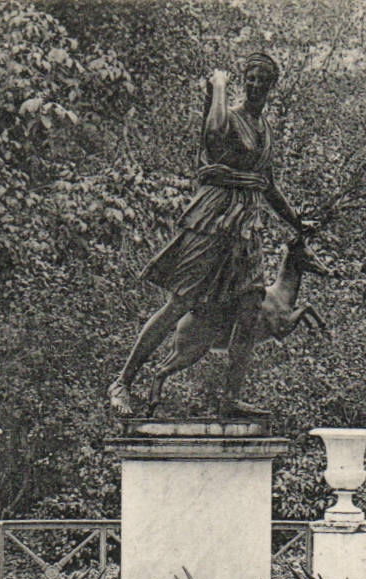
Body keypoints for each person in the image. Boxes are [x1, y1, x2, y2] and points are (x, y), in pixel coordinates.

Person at [108, 53, 311, 418]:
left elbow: (268, 184)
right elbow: (214, 138)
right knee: (181, 302)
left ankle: (230, 398)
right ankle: (123, 381)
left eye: (262, 80)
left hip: (247, 225)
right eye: (249, 78)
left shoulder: (265, 130)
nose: (254, 85)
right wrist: (217, 87)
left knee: (250, 308)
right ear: (242, 80)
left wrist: (296, 221)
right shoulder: (227, 116)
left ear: (271, 86)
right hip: (213, 217)